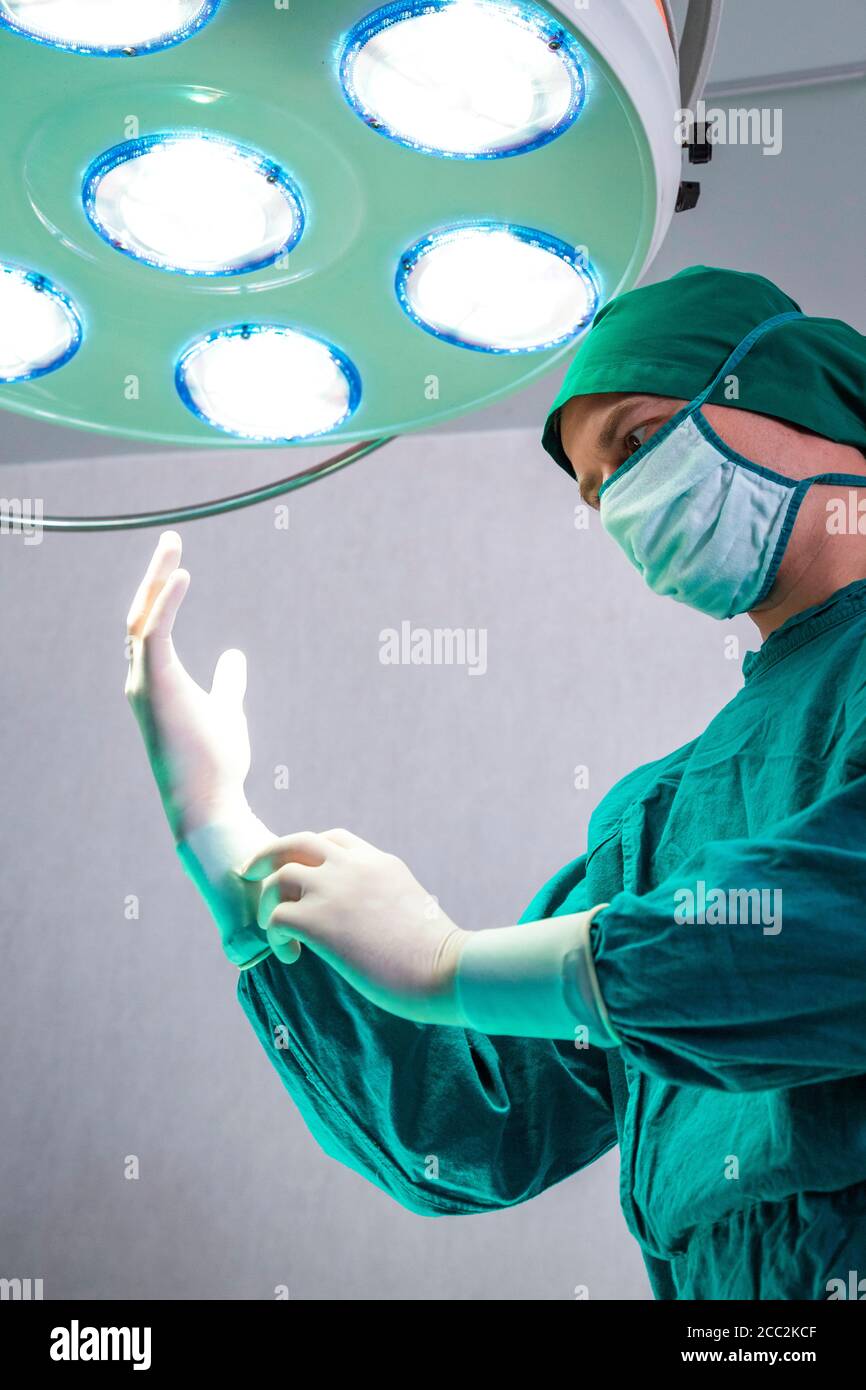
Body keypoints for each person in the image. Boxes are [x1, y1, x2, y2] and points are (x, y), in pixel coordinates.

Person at [126, 265, 866, 1300]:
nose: (617, 502)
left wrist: (446, 960)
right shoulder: (656, 818)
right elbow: (475, 1125)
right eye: (596, 487)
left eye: (638, 441)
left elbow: (821, 927)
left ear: (800, 395)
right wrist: (224, 841)